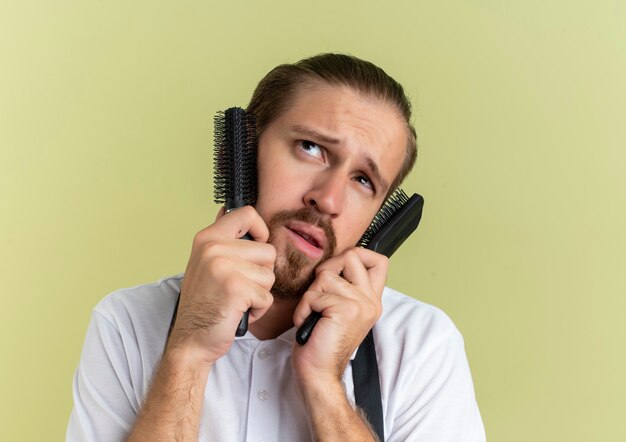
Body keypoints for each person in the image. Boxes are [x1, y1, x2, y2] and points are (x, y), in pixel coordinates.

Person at [67, 53, 485, 441]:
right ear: (244, 153)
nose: (328, 199)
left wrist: (325, 384)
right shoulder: (127, 325)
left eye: (363, 181)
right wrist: (188, 352)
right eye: (312, 148)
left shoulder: (422, 345)